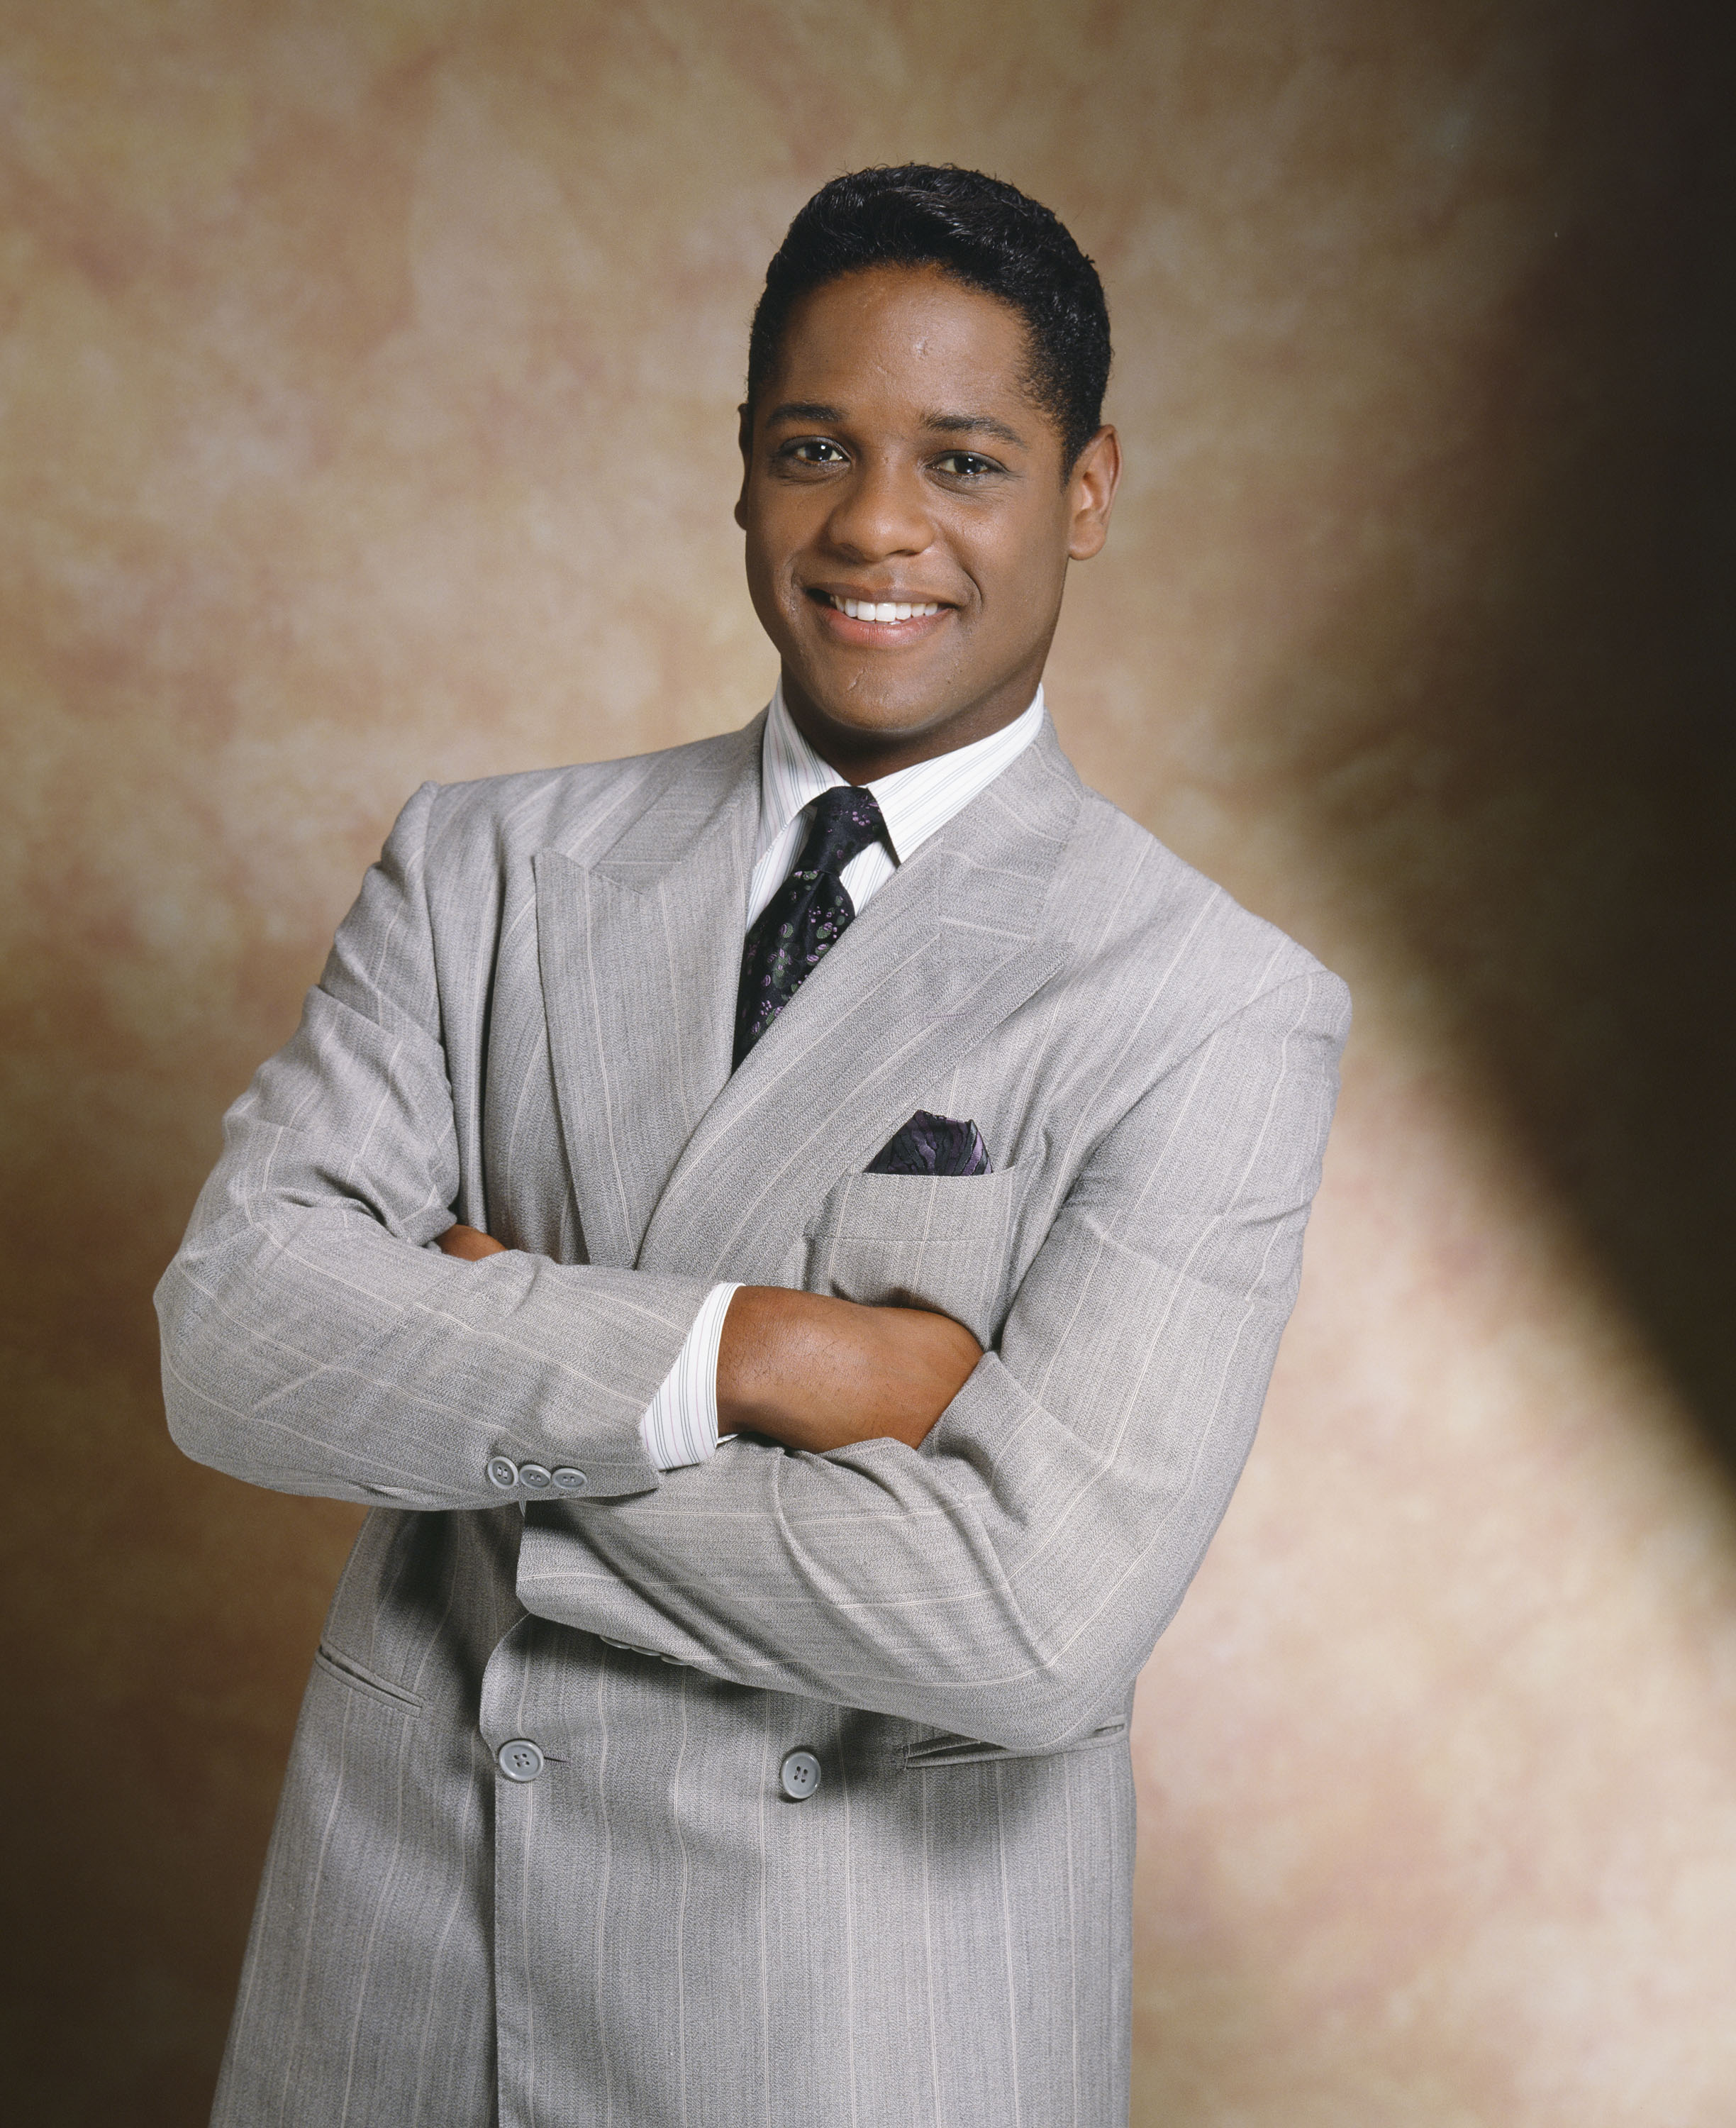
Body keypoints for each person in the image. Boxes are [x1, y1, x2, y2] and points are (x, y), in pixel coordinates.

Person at [158, 163, 1349, 2128]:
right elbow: (237, 1339)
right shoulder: (487, 868)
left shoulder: (1207, 1004)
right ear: (741, 473)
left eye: (963, 460)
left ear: (1088, 492)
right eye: (818, 449)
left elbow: (1021, 1621)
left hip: (853, 2024)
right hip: (407, 1970)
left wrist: (467, 1386)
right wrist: (759, 1358)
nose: (876, 527)